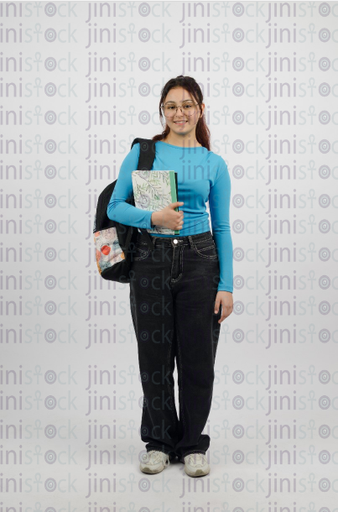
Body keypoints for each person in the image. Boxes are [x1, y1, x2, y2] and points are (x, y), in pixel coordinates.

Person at [107, 75, 233, 477]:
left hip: (200, 260)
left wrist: (226, 284)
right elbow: (115, 207)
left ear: (200, 109)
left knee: (199, 359)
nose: (180, 113)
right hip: (151, 258)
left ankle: (193, 444)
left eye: (187, 105)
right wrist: (153, 217)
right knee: (155, 358)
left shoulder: (214, 163)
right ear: (162, 110)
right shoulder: (145, 153)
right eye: (171, 106)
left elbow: (223, 227)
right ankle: (159, 442)